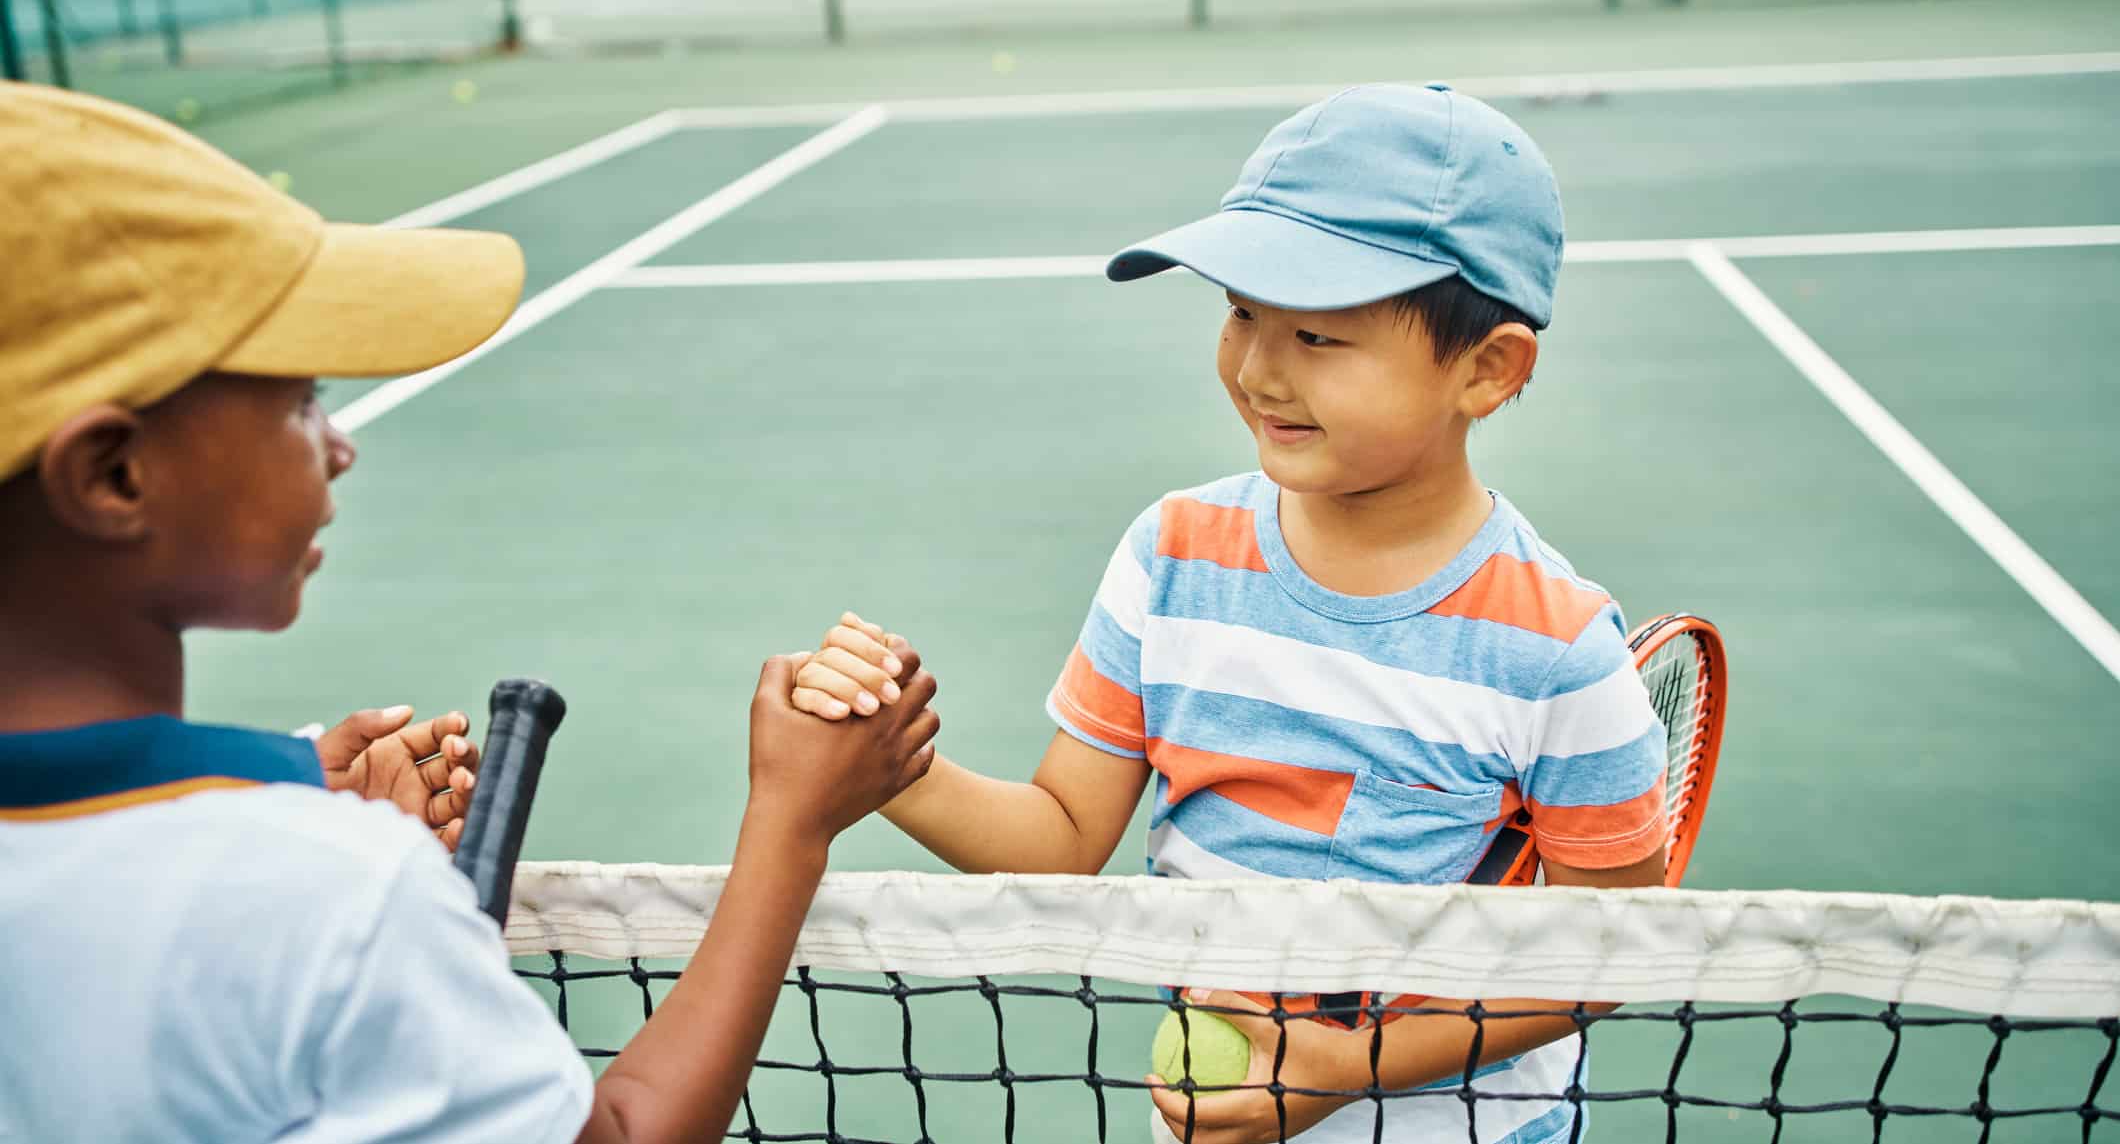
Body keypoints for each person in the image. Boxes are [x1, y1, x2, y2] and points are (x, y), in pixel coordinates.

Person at [0, 82, 939, 1144]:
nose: (339, 441)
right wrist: (792, 824)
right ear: (114, 473)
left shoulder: (314, 864)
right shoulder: (333, 898)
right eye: (301, 396)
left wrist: (294, 783)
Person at [786, 84, 1668, 1144]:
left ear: (1487, 368)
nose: (1256, 368)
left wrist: (1353, 1064)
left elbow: (1603, 949)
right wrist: (896, 767)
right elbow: (1062, 837)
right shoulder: (1171, 557)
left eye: (1313, 334)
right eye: (1239, 312)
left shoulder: (1557, 646)